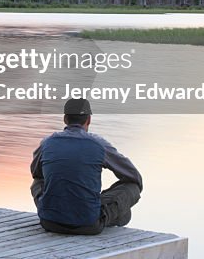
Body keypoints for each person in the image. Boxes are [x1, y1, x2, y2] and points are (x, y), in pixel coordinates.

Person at [30, 98, 143, 235]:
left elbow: (36, 173)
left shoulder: (47, 143)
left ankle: (61, 208)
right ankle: (111, 215)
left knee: (37, 182)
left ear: (65, 119)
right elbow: (134, 177)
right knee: (132, 188)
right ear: (88, 120)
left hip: (50, 222)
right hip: (88, 224)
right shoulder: (99, 145)